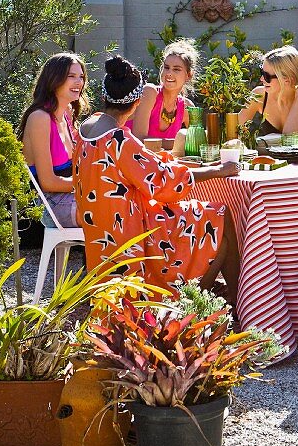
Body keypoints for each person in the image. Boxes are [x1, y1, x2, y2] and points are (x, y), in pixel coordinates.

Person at [73, 55, 239, 300]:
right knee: (221, 215)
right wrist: (219, 170)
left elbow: (139, 170)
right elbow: (164, 181)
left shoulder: (87, 128)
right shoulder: (119, 140)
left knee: (212, 220)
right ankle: (212, 303)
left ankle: (205, 299)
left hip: (102, 230)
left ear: (104, 97)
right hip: (132, 231)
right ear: (137, 102)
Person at [18, 52, 88, 226]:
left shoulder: (67, 113)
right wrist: (90, 184)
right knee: (112, 211)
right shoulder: (39, 118)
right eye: (71, 76)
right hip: (49, 205)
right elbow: (48, 182)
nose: (79, 82)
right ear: (54, 80)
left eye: (81, 77)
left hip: (72, 196)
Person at [238, 46, 298, 138]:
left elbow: (291, 140)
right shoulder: (259, 95)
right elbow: (236, 130)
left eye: (266, 76)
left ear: (287, 79)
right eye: (261, 72)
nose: (261, 79)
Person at [132, 39, 198, 142]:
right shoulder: (149, 92)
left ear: (189, 75)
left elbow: (196, 143)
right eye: (166, 67)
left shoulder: (188, 107)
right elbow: (139, 140)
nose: (169, 73)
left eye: (176, 69)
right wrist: (178, 144)